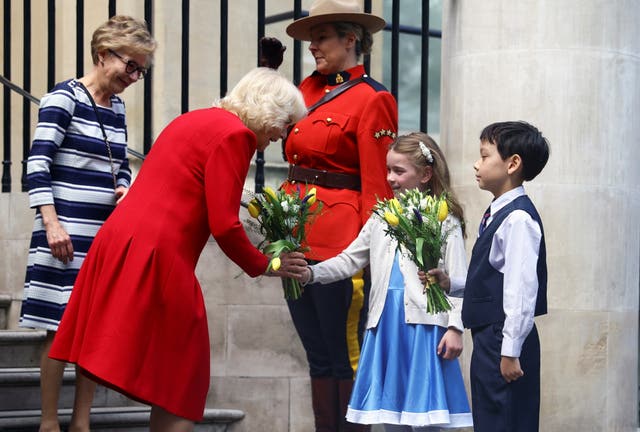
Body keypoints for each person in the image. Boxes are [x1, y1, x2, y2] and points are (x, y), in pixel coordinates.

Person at [47, 67, 308, 432]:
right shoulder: (235, 136)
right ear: (270, 112)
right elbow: (225, 225)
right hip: (159, 253)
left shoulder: (193, 119)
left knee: (168, 370)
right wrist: (266, 263)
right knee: (187, 374)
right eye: (285, 124)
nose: (283, 135)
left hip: (120, 241)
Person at [18, 15, 157, 432]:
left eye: (141, 70)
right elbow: (37, 165)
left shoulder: (116, 107)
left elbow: (121, 166)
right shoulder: (64, 98)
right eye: (130, 66)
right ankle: (48, 422)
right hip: (62, 234)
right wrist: (51, 225)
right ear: (103, 55)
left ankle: (81, 422)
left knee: (94, 329)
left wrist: (124, 187)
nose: (134, 77)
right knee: (58, 332)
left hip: (102, 235)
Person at [298, 133, 473, 431]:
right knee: (390, 417)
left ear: (426, 174)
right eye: (389, 170)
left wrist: (455, 328)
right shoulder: (381, 217)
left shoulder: (444, 219)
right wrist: (310, 273)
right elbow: (348, 260)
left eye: (399, 171)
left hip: (425, 329)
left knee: (426, 418)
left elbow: (459, 280)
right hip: (385, 325)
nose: (390, 178)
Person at [282, 1, 398, 429]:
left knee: (342, 353)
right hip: (293, 236)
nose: (312, 46)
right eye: (312, 38)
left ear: (351, 39)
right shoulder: (305, 90)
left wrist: (374, 254)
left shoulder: (374, 98)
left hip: (340, 240)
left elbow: (377, 185)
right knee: (315, 351)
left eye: (322, 37)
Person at [462, 121, 550, 432]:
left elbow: (521, 290)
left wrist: (511, 351)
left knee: (506, 420)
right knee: (490, 420)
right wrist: (452, 284)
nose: (476, 163)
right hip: (491, 337)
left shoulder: (518, 219)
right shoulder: (499, 212)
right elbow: (492, 280)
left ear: (512, 164)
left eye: (484, 156)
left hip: (504, 337)